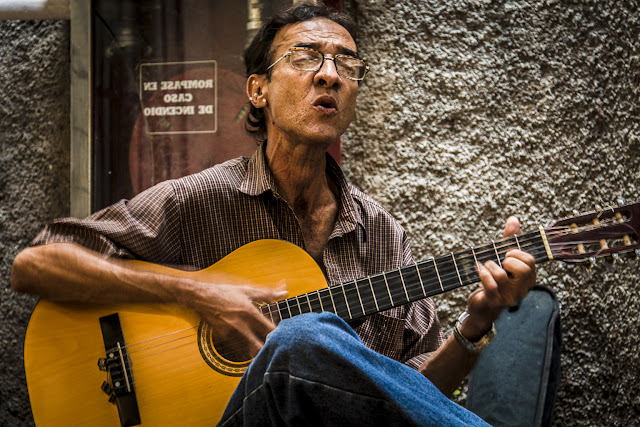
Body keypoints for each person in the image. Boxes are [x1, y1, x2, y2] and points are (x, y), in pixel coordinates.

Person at [11, 3, 536, 425]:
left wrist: (474, 326)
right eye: (307, 57)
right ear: (258, 90)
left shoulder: (382, 235)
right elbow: (35, 264)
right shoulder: (201, 200)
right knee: (301, 335)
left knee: (305, 337)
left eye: (347, 65)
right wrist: (195, 292)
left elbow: (410, 399)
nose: (329, 75)